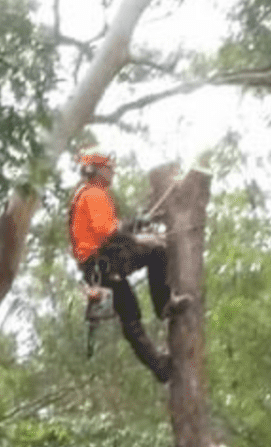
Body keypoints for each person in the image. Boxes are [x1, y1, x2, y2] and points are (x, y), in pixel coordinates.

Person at [68, 153, 185, 383]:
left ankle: (160, 367)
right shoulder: (93, 194)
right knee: (157, 251)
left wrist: (136, 227)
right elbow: (107, 232)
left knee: (131, 318)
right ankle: (163, 304)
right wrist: (134, 225)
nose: (112, 172)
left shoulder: (89, 194)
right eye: (109, 168)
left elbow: (109, 232)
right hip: (104, 261)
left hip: (97, 267)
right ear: (97, 170)